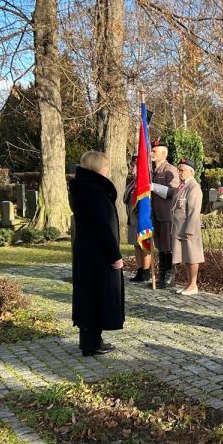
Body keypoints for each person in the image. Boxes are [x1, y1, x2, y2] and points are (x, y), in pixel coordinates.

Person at [68, 150, 125, 356]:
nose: (108, 170)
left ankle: (90, 340)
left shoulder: (84, 188)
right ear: (97, 167)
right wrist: (114, 255)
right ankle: (92, 342)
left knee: (89, 293)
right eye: (106, 166)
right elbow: (102, 226)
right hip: (98, 251)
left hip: (87, 249)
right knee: (98, 293)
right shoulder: (93, 190)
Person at [149, 142, 181, 288]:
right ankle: (161, 275)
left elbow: (172, 192)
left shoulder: (170, 170)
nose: (151, 153)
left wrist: (153, 187)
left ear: (164, 154)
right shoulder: (153, 170)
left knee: (167, 246)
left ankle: (169, 276)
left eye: (154, 151)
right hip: (156, 214)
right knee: (161, 246)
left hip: (166, 214)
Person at [170, 159, 204, 295]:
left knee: (192, 257)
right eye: (178, 169)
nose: (179, 172)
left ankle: (193, 285)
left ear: (191, 171)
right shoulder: (182, 186)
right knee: (186, 257)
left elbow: (194, 211)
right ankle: (189, 284)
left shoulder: (194, 187)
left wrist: (189, 230)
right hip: (180, 228)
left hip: (189, 229)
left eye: (182, 170)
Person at [122, 155, 151, 282]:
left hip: (142, 218)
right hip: (132, 218)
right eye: (132, 165)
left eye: (135, 165)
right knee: (136, 244)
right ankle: (139, 270)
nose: (132, 168)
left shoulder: (144, 181)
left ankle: (146, 270)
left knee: (144, 244)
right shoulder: (132, 182)